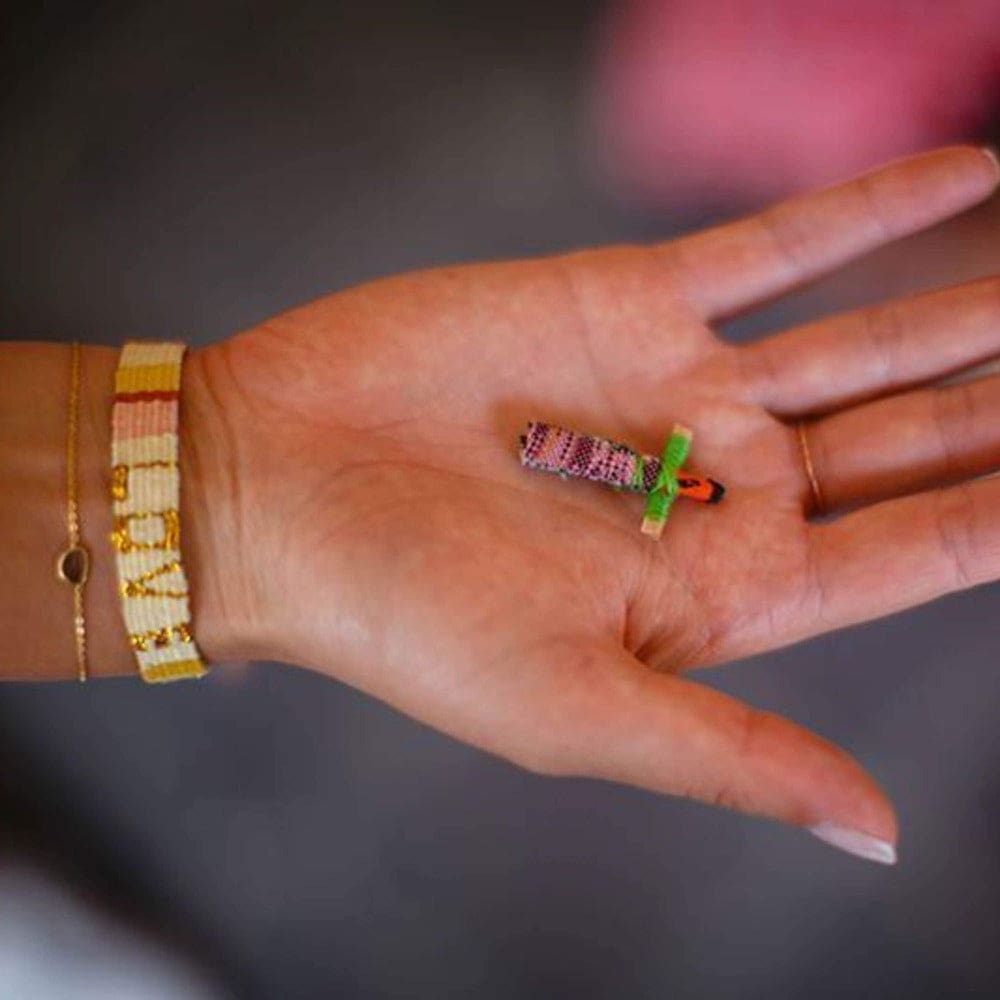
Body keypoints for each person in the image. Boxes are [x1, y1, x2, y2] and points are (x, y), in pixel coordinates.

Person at [2, 146, 998, 865]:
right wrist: (223, 480)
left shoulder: (664, 478)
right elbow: (644, 479)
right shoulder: (642, 475)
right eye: (683, 486)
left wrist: (220, 470)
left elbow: (665, 482)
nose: (686, 488)